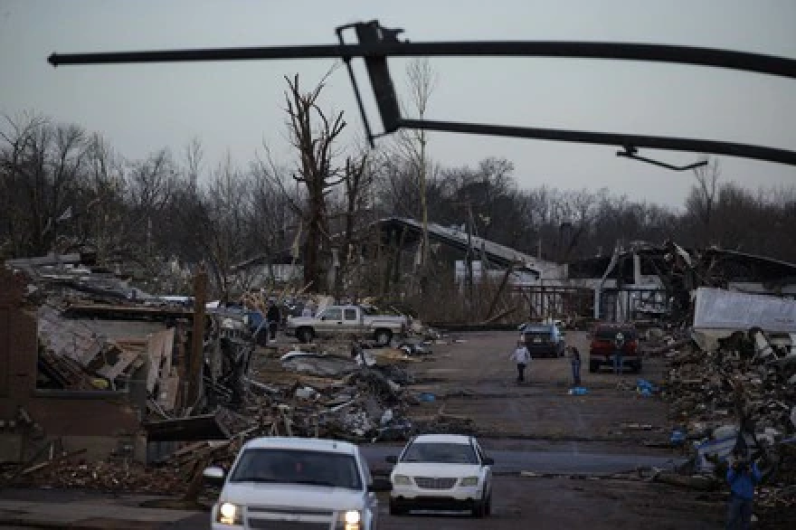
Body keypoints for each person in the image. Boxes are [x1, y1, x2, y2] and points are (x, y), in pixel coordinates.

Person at [726, 451, 761, 530]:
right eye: (741, 456)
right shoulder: (735, 465)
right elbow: (728, 479)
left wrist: (751, 472)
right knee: (732, 519)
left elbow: (758, 479)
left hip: (748, 498)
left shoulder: (752, 465)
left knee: (746, 521)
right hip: (736, 496)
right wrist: (735, 470)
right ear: (738, 457)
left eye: (744, 456)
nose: (743, 458)